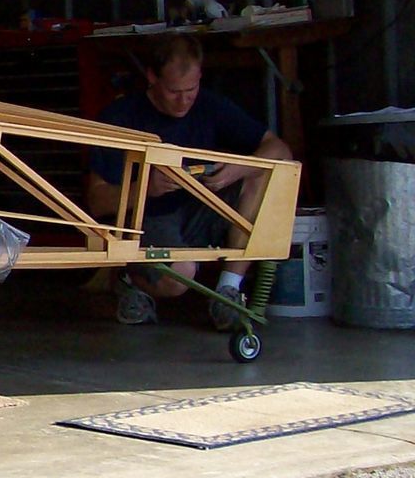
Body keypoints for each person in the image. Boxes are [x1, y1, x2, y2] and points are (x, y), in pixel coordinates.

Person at [85, 36, 293, 327]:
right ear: (152, 77)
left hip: (200, 208)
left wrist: (235, 168)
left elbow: (279, 150)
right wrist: (146, 188)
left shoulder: (209, 105)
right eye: (173, 91)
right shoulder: (120, 116)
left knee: (263, 172)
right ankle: (126, 277)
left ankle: (228, 291)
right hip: (149, 219)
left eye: (191, 90)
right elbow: (96, 200)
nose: (184, 100)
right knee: (179, 278)